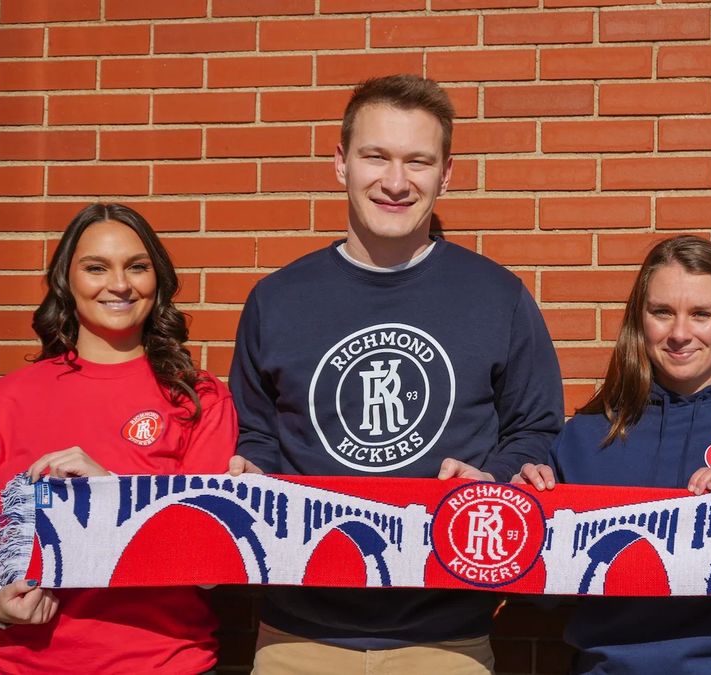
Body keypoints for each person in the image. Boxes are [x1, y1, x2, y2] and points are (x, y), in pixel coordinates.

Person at [227, 74, 563, 673]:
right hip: (296, 635)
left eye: (418, 161)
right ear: (341, 163)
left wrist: (493, 479)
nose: (396, 181)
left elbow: (536, 430)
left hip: (447, 638)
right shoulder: (276, 300)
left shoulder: (498, 297)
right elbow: (255, 435)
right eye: (376, 156)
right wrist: (251, 472)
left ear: (446, 173)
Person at [514, 235, 711, 674]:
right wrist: (523, 517)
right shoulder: (586, 437)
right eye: (662, 312)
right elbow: (538, 594)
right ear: (640, 318)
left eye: (701, 314)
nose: (680, 334)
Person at [0, 203, 237, 674]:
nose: (119, 284)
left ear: (158, 279)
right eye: (96, 268)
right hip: (20, 664)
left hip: (162, 663)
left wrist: (110, 493)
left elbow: (211, 566)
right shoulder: (3, 400)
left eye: (137, 267)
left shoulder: (199, 397)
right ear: (66, 280)